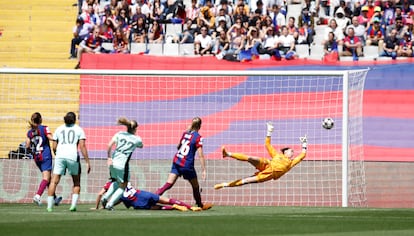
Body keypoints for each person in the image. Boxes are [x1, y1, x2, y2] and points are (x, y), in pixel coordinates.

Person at [214, 122, 308, 189]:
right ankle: (227, 154)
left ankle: (225, 185)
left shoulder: (291, 163)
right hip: (267, 164)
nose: (292, 152)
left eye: (293, 152)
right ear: (285, 152)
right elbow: (267, 145)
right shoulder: (277, 155)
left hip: (269, 174)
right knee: (251, 158)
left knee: (246, 181)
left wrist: (304, 143)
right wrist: (269, 132)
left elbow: (302, 155)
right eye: (291, 151)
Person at [155, 117, 212, 210]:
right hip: (187, 164)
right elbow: (200, 155)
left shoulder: (185, 134)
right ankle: (199, 204)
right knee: (195, 186)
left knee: (168, 184)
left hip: (177, 160)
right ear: (200, 126)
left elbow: (178, 147)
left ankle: (153, 197)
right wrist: (204, 170)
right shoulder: (198, 137)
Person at [47, 112, 91, 212]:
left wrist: (56, 154)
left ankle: (49, 206)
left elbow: (54, 146)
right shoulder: (79, 129)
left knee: (54, 181)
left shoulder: (59, 129)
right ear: (75, 119)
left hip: (60, 156)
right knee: (76, 182)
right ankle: (73, 206)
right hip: (72, 156)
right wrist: (87, 161)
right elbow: (82, 146)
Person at [100, 117, 143, 210]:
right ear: (135, 128)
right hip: (122, 165)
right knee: (124, 185)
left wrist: (109, 157)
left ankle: (105, 197)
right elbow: (141, 146)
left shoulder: (119, 134)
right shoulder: (137, 139)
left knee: (116, 181)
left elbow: (109, 145)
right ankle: (110, 204)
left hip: (112, 162)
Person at [25, 112, 62, 206]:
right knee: (46, 178)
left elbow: (27, 145)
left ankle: (54, 198)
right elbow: (50, 137)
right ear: (41, 120)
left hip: (36, 157)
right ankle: (37, 196)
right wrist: (58, 139)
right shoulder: (44, 128)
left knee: (48, 179)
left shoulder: (30, 132)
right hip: (45, 156)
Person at [93, 180, 202, 211]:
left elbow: (100, 194)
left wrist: (102, 206)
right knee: (167, 199)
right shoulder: (124, 179)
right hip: (142, 193)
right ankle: (190, 206)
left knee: (158, 207)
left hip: (137, 201)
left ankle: (175, 208)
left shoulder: (110, 185)